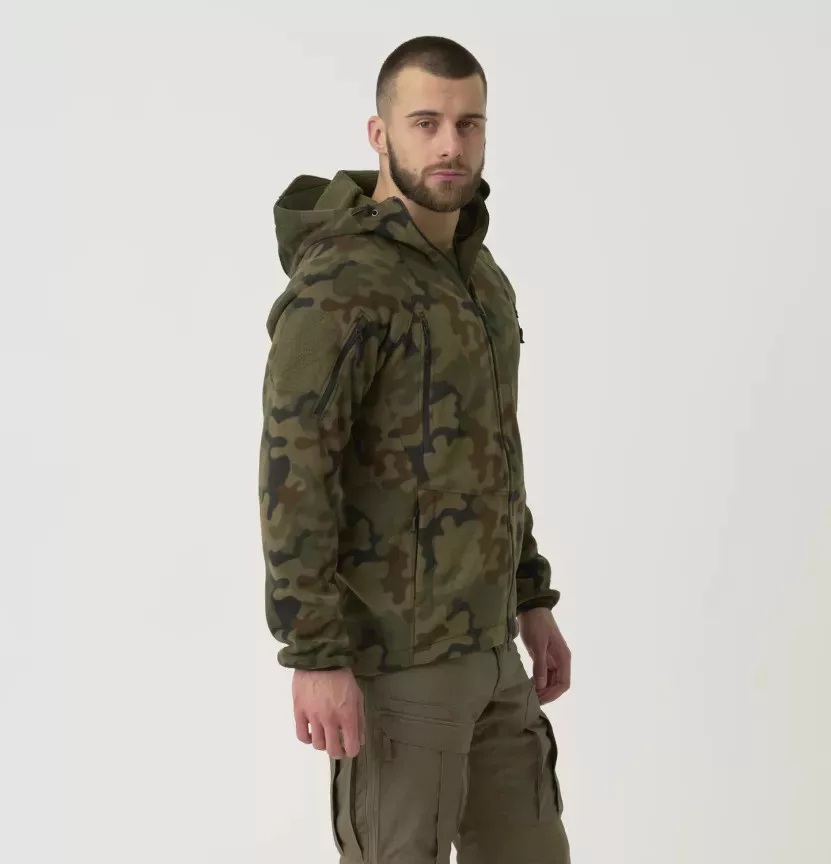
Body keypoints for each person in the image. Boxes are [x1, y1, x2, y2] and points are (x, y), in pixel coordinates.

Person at [258, 35, 572, 864]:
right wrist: (314, 655)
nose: (449, 144)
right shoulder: (341, 284)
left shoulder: (478, 275)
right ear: (379, 133)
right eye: (425, 122)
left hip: (493, 652)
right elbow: (295, 471)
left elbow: (494, 449)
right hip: (396, 670)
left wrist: (532, 596)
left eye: (469, 124)